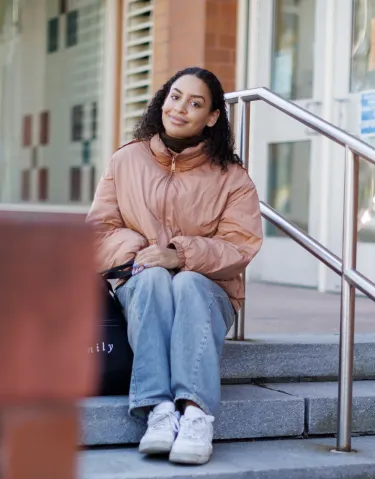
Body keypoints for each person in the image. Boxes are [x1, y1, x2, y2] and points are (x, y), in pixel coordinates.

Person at [86, 67, 263, 465]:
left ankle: (196, 412)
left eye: (195, 103)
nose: (180, 108)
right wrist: (143, 253)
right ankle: (159, 411)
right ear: (163, 100)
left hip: (208, 292)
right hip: (140, 283)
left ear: (213, 116)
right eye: (175, 96)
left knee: (184, 285)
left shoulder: (231, 177)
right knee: (152, 282)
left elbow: (240, 245)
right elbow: (98, 232)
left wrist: (178, 256)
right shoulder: (126, 159)